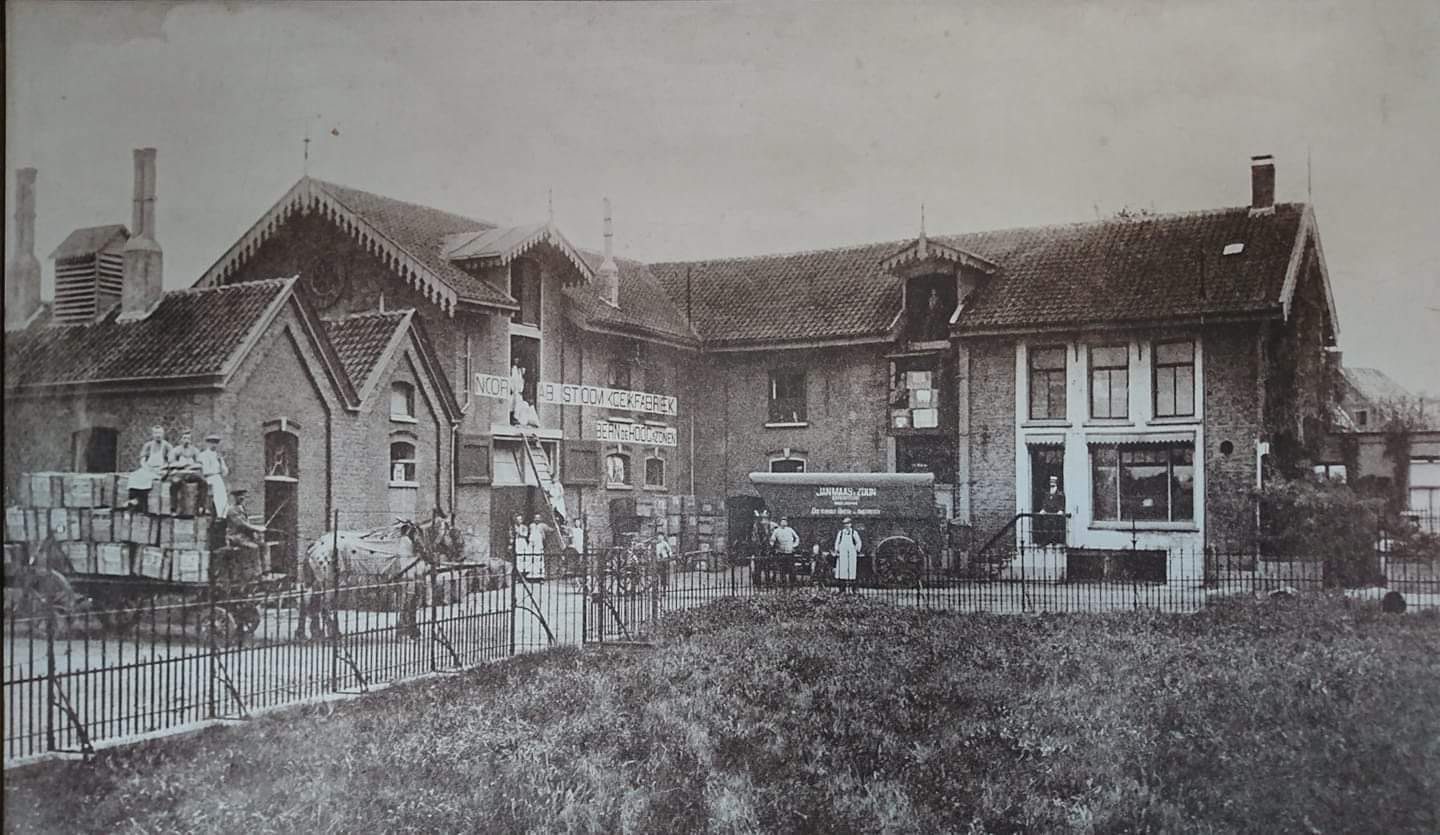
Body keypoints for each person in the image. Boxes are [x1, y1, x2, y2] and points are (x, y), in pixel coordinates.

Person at [127, 425, 172, 508]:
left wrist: (162, 468)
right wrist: (147, 468)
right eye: (156, 433)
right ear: (152, 434)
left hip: (160, 469)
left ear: (163, 434)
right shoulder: (148, 445)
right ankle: (133, 499)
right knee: (134, 476)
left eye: (160, 433)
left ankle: (142, 501)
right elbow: (142, 460)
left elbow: (170, 461)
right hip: (148, 468)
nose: (158, 435)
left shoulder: (167, 446)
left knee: (149, 480)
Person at [196, 434, 230, 517]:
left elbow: (225, 472)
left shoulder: (218, 456)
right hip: (207, 478)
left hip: (217, 478)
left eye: (216, 443)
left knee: (222, 499)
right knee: (209, 495)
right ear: (208, 443)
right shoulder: (202, 455)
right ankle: (205, 510)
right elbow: (202, 470)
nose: (214, 445)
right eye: (212, 442)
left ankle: (222, 516)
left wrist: (220, 461)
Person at [833, 517, 862, 594]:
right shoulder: (841, 533)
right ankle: (842, 590)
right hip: (842, 555)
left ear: (850, 524)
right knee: (842, 572)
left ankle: (853, 590)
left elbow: (858, 542)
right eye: (845, 524)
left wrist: (856, 550)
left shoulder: (854, 533)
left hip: (851, 555)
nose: (846, 525)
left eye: (848, 523)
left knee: (852, 572)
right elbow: (837, 542)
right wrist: (837, 550)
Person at [769, 516, 801, 584]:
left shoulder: (790, 530)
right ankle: (783, 583)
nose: (783, 522)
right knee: (782, 569)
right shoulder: (776, 531)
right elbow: (772, 540)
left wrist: (794, 545)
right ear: (780, 522)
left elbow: (797, 538)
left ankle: (792, 583)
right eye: (782, 521)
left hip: (790, 552)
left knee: (791, 568)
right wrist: (773, 546)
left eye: (785, 521)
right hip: (781, 553)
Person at [1037, 475, 1066, 546]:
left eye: (1054, 482)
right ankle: (1046, 541)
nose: (1052, 483)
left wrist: (1060, 510)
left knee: (1055, 527)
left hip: (1055, 513)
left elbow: (1061, 502)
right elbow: (1045, 502)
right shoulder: (1047, 493)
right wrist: (1043, 509)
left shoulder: (1060, 493)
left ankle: (1054, 541)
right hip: (1048, 513)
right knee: (1046, 526)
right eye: (1051, 482)